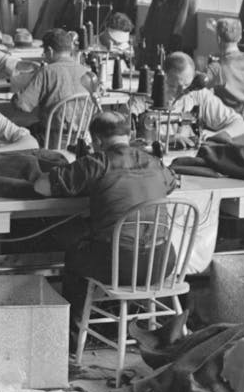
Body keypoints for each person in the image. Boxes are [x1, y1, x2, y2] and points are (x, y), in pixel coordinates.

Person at [34, 112, 178, 338]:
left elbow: (41, 187)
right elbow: (171, 183)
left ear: (97, 141)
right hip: (161, 263)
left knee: (73, 252)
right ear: (128, 136)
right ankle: (136, 324)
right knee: (105, 243)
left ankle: (72, 333)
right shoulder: (155, 163)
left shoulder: (96, 163)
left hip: (120, 265)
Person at [11, 28, 95, 139]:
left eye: (44, 52)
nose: (44, 55)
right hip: (83, 136)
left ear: (50, 51)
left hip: (53, 137)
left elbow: (22, 105)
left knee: (17, 132)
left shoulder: (47, 71)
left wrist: (23, 89)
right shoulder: (87, 72)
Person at [161, 52, 244, 147]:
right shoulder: (146, 99)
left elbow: (239, 123)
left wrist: (215, 135)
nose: (182, 91)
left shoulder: (197, 94)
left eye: (186, 85)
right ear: (163, 78)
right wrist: (166, 138)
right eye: (173, 86)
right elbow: (142, 138)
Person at [205, 17, 244, 111]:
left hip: (234, 121)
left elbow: (203, 91)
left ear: (218, 39)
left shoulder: (216, 67)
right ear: (240, 38)